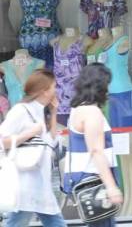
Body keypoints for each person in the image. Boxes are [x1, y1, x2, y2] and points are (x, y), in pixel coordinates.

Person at [0, 69, 65, 227]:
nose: (56, 90)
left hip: (40, 185)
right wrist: (29, 134)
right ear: (44, 91)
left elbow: (51, 143)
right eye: (53, 87)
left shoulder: (39, 111)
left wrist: (54, 112)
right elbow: (2, 140)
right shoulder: (21, 111)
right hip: (25, 185)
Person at [63, 63, 123, 227]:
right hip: (93, 180)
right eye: (107, 85)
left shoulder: (78, 109)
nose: (108, 90)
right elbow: (96, 151)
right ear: (99, 86)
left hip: (85, 178)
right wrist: (111, 186)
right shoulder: (92, 112)